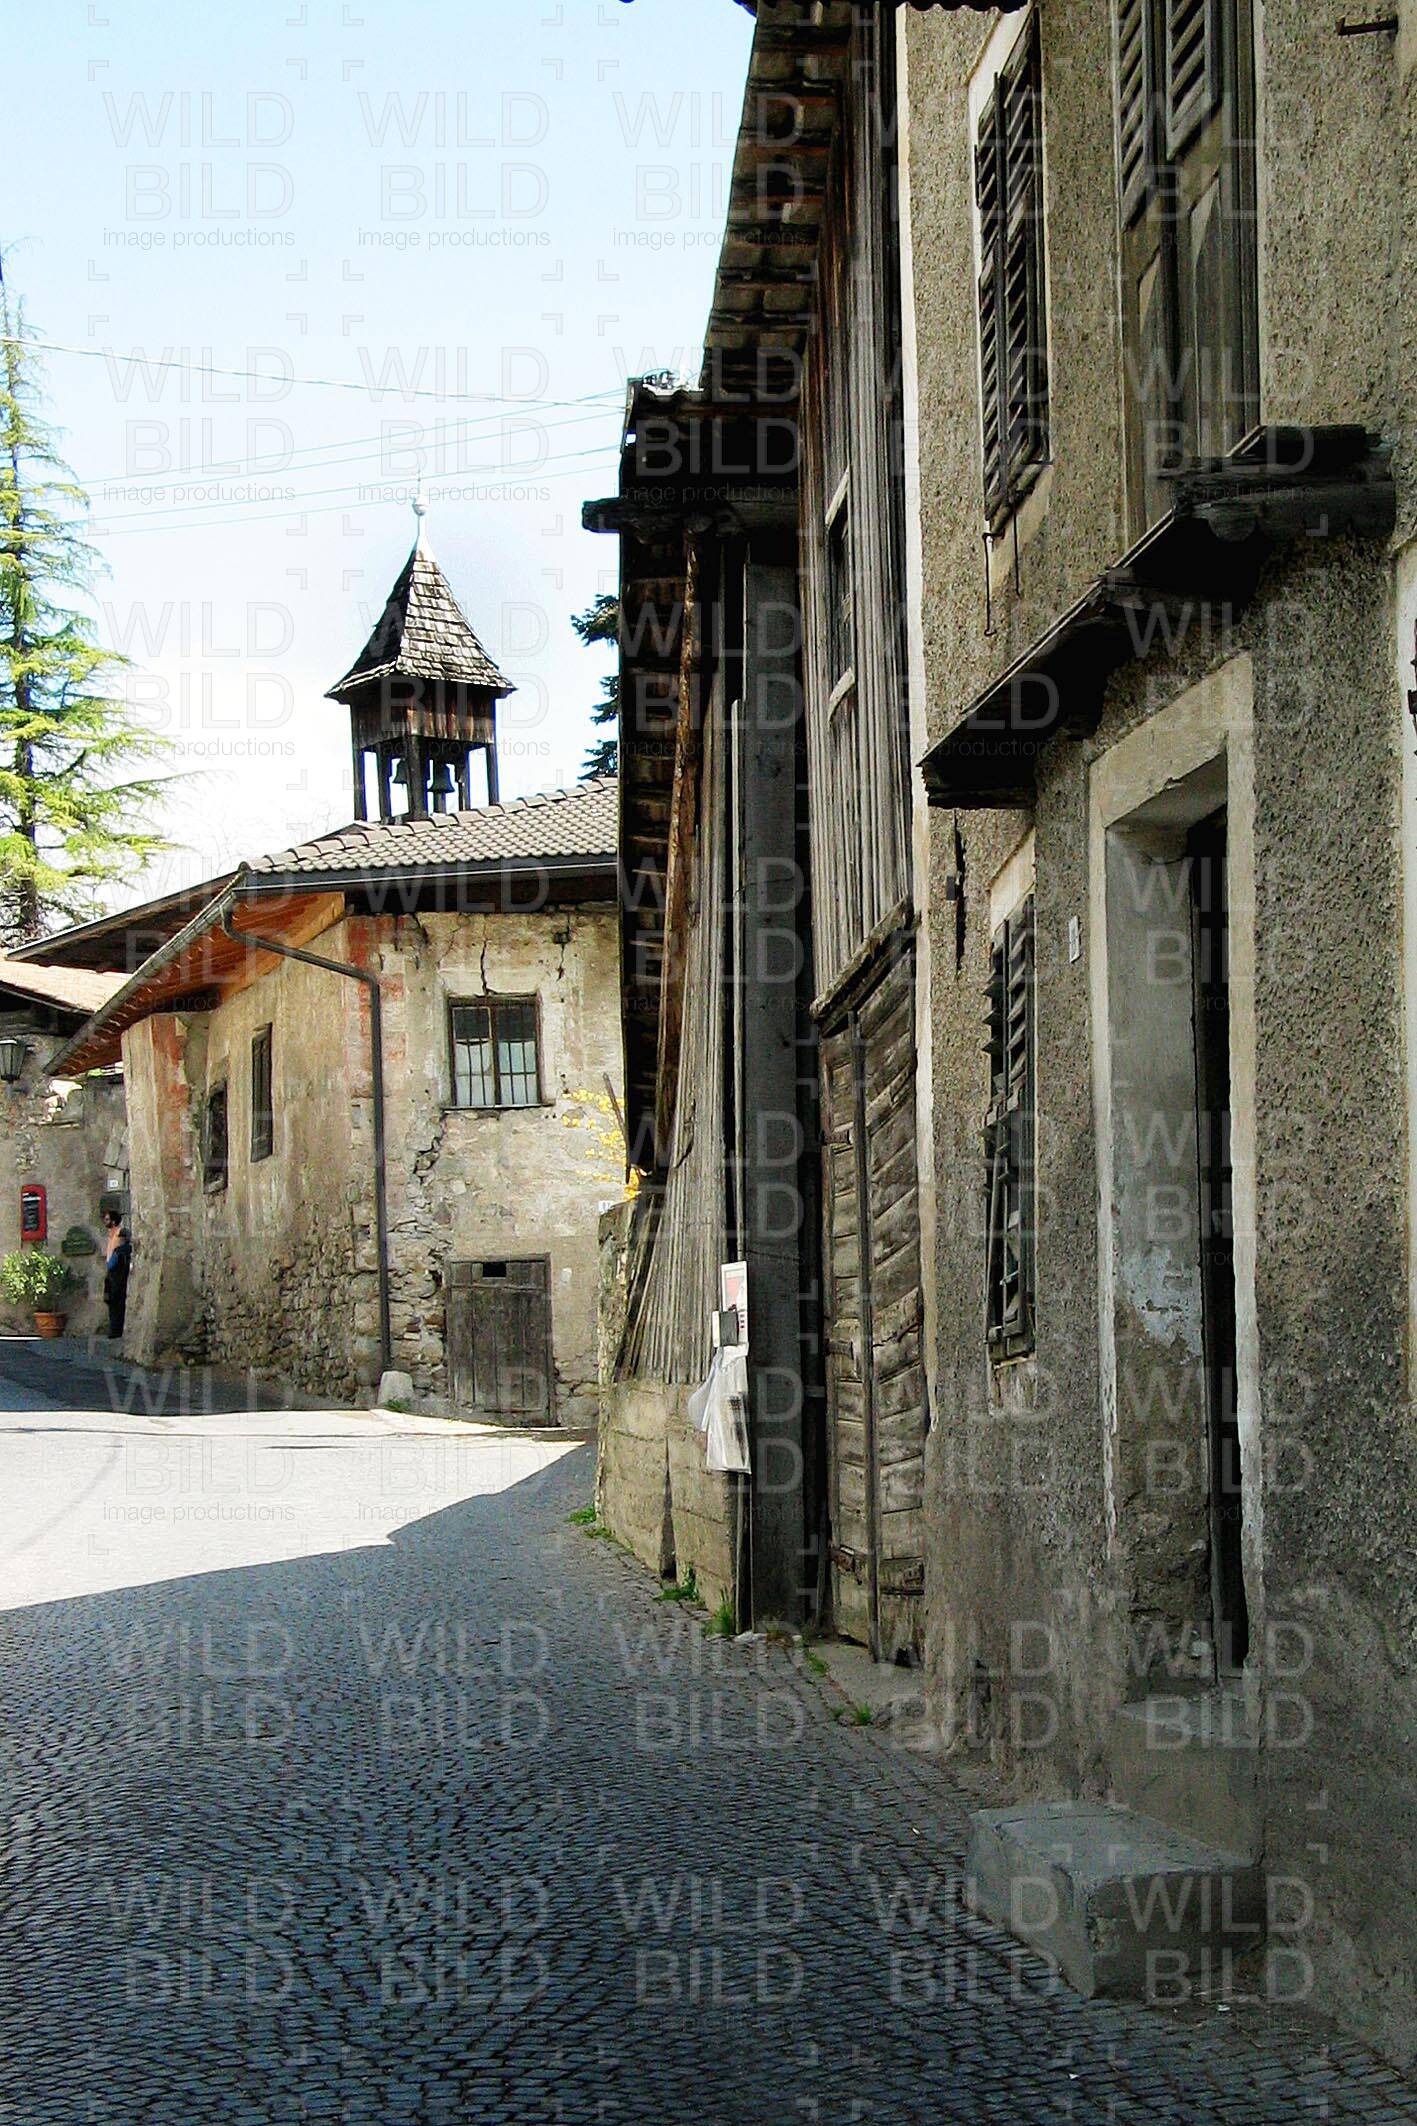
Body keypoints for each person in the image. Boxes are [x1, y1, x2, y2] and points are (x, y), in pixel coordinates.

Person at [103, 1214, 131, 1341]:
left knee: (115, 1303)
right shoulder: (112, 1236)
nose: (105, 1221)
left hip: (116, 1276)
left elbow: (113, 1263)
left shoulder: (119, 1245)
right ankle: (116, 1329)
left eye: (108, 1219)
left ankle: (115, 1330)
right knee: (115, 1303)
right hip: (117, 1275)